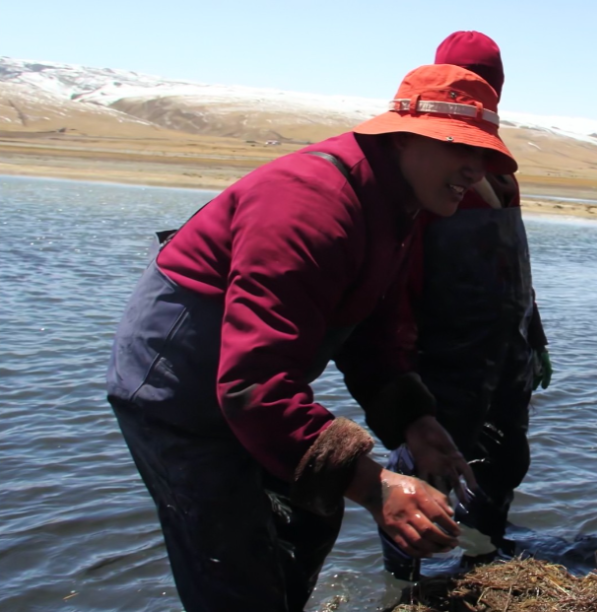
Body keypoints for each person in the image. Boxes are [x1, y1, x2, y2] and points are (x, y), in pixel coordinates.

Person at [105, 63, 516, 611]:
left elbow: (373, 333)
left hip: (246, 384)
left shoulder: (395, 207)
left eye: (485, 154)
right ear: (402, 137)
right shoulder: (311, 205)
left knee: (309, 519)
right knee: (234, 568)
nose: (475, 169)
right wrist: (377, 488)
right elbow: (253, 386)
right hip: (178, 391)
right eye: (460, 149)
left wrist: (415, 422)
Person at [373, 31, 552, 579]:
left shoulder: (497, 172)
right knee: (427, 460)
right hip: (445, 344)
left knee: (505, 457)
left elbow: (516, 266)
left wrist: (535, 337)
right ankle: (401, 578)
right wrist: (404, 354)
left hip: (505, 347)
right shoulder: (431, 171)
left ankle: (483, 558)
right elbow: (402, 271)